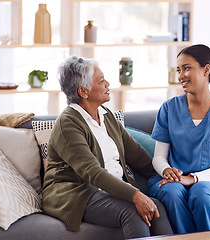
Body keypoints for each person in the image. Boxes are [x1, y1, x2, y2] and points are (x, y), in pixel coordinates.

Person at [42, 56, 172, 239]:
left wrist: (166, 173)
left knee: (156, 206)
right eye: (101, 81)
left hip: (106, 192)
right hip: (77, 194)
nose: (108, 84)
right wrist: (135, 195)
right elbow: (93, 172)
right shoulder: (68, 124)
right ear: (83, 91)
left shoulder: (106, 116)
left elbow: (136, 155)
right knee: (133, 211)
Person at [147, 44, 210, 234]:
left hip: (209, 184)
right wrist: (167, 171)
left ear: (206, 70)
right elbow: (159, 157)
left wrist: (192, 178)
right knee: (172, 192)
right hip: (173, 182)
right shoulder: (168, 108)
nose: (180, 76)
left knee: (202, 193)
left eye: (187, 68)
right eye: (179, 70)